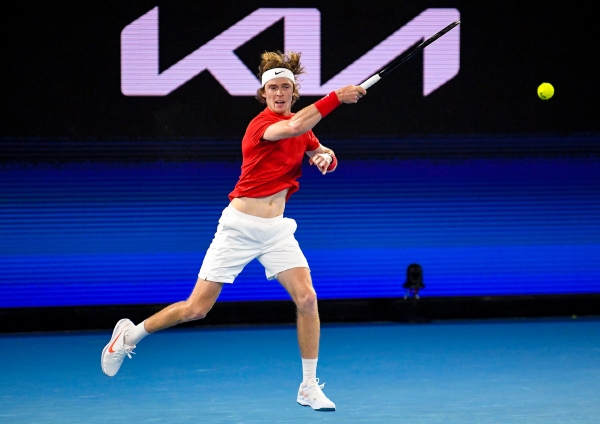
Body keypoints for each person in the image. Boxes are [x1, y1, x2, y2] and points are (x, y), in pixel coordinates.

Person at [101, 51, 366, 412]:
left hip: (276, 230)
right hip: (238, 228)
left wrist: (326, 158)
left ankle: (308, 386)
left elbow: (319, 148)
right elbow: (292, 128)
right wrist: (336, 97)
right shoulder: (261, 125)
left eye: (285, 87)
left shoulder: (303, 127)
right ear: (263, 93)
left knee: (307, 299)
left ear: (293, 92)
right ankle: (128, 335)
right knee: (196, 308)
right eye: (272, 88)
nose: (279, 93)